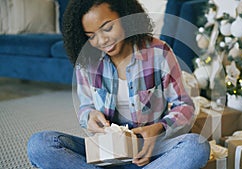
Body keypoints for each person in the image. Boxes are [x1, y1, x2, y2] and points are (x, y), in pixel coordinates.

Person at [27, 0, 210, 168]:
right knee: (39, 144)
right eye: (91, 36)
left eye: (107, 28)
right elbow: (86, 107)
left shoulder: (158, 52)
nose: (102, 40)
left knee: (196, 146)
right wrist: (89, 116)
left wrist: (159, 128)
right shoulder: (87, 62)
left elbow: (185, 106)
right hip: (105, 154)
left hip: (152, 152)